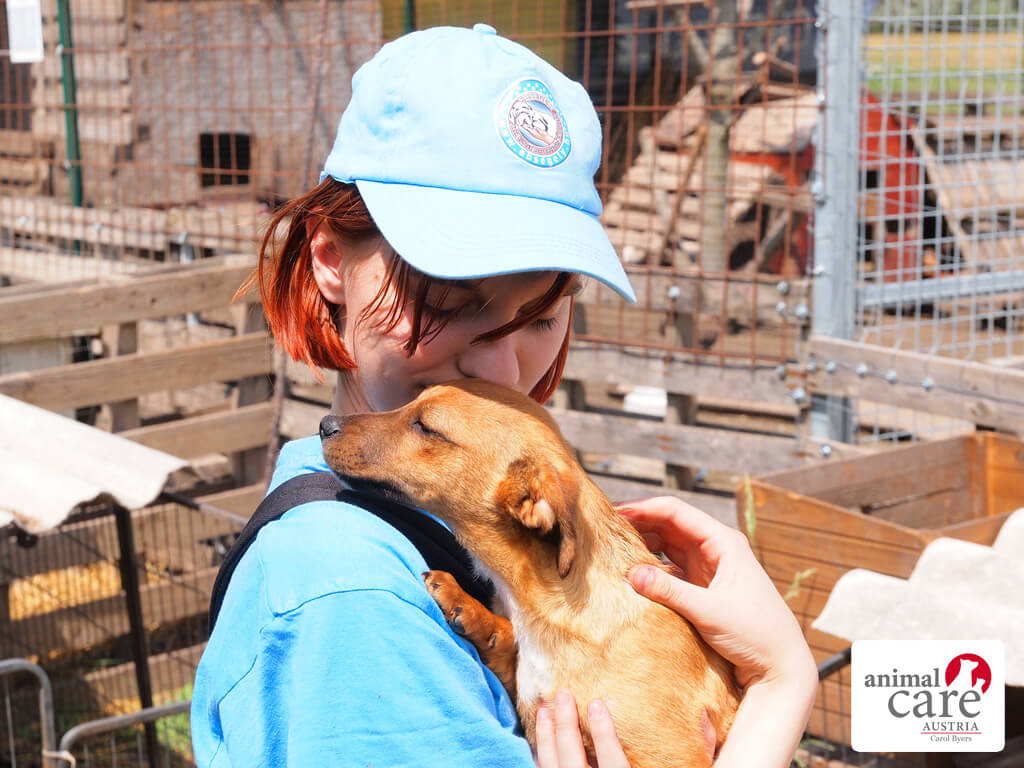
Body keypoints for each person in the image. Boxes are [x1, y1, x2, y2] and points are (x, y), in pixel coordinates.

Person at [190, 24, 817, 768]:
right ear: (329, 259)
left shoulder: (445, 525)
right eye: (449, 300)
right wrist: (781, 692)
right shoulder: (353, 601)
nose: (498, 364)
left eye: (541, 316)